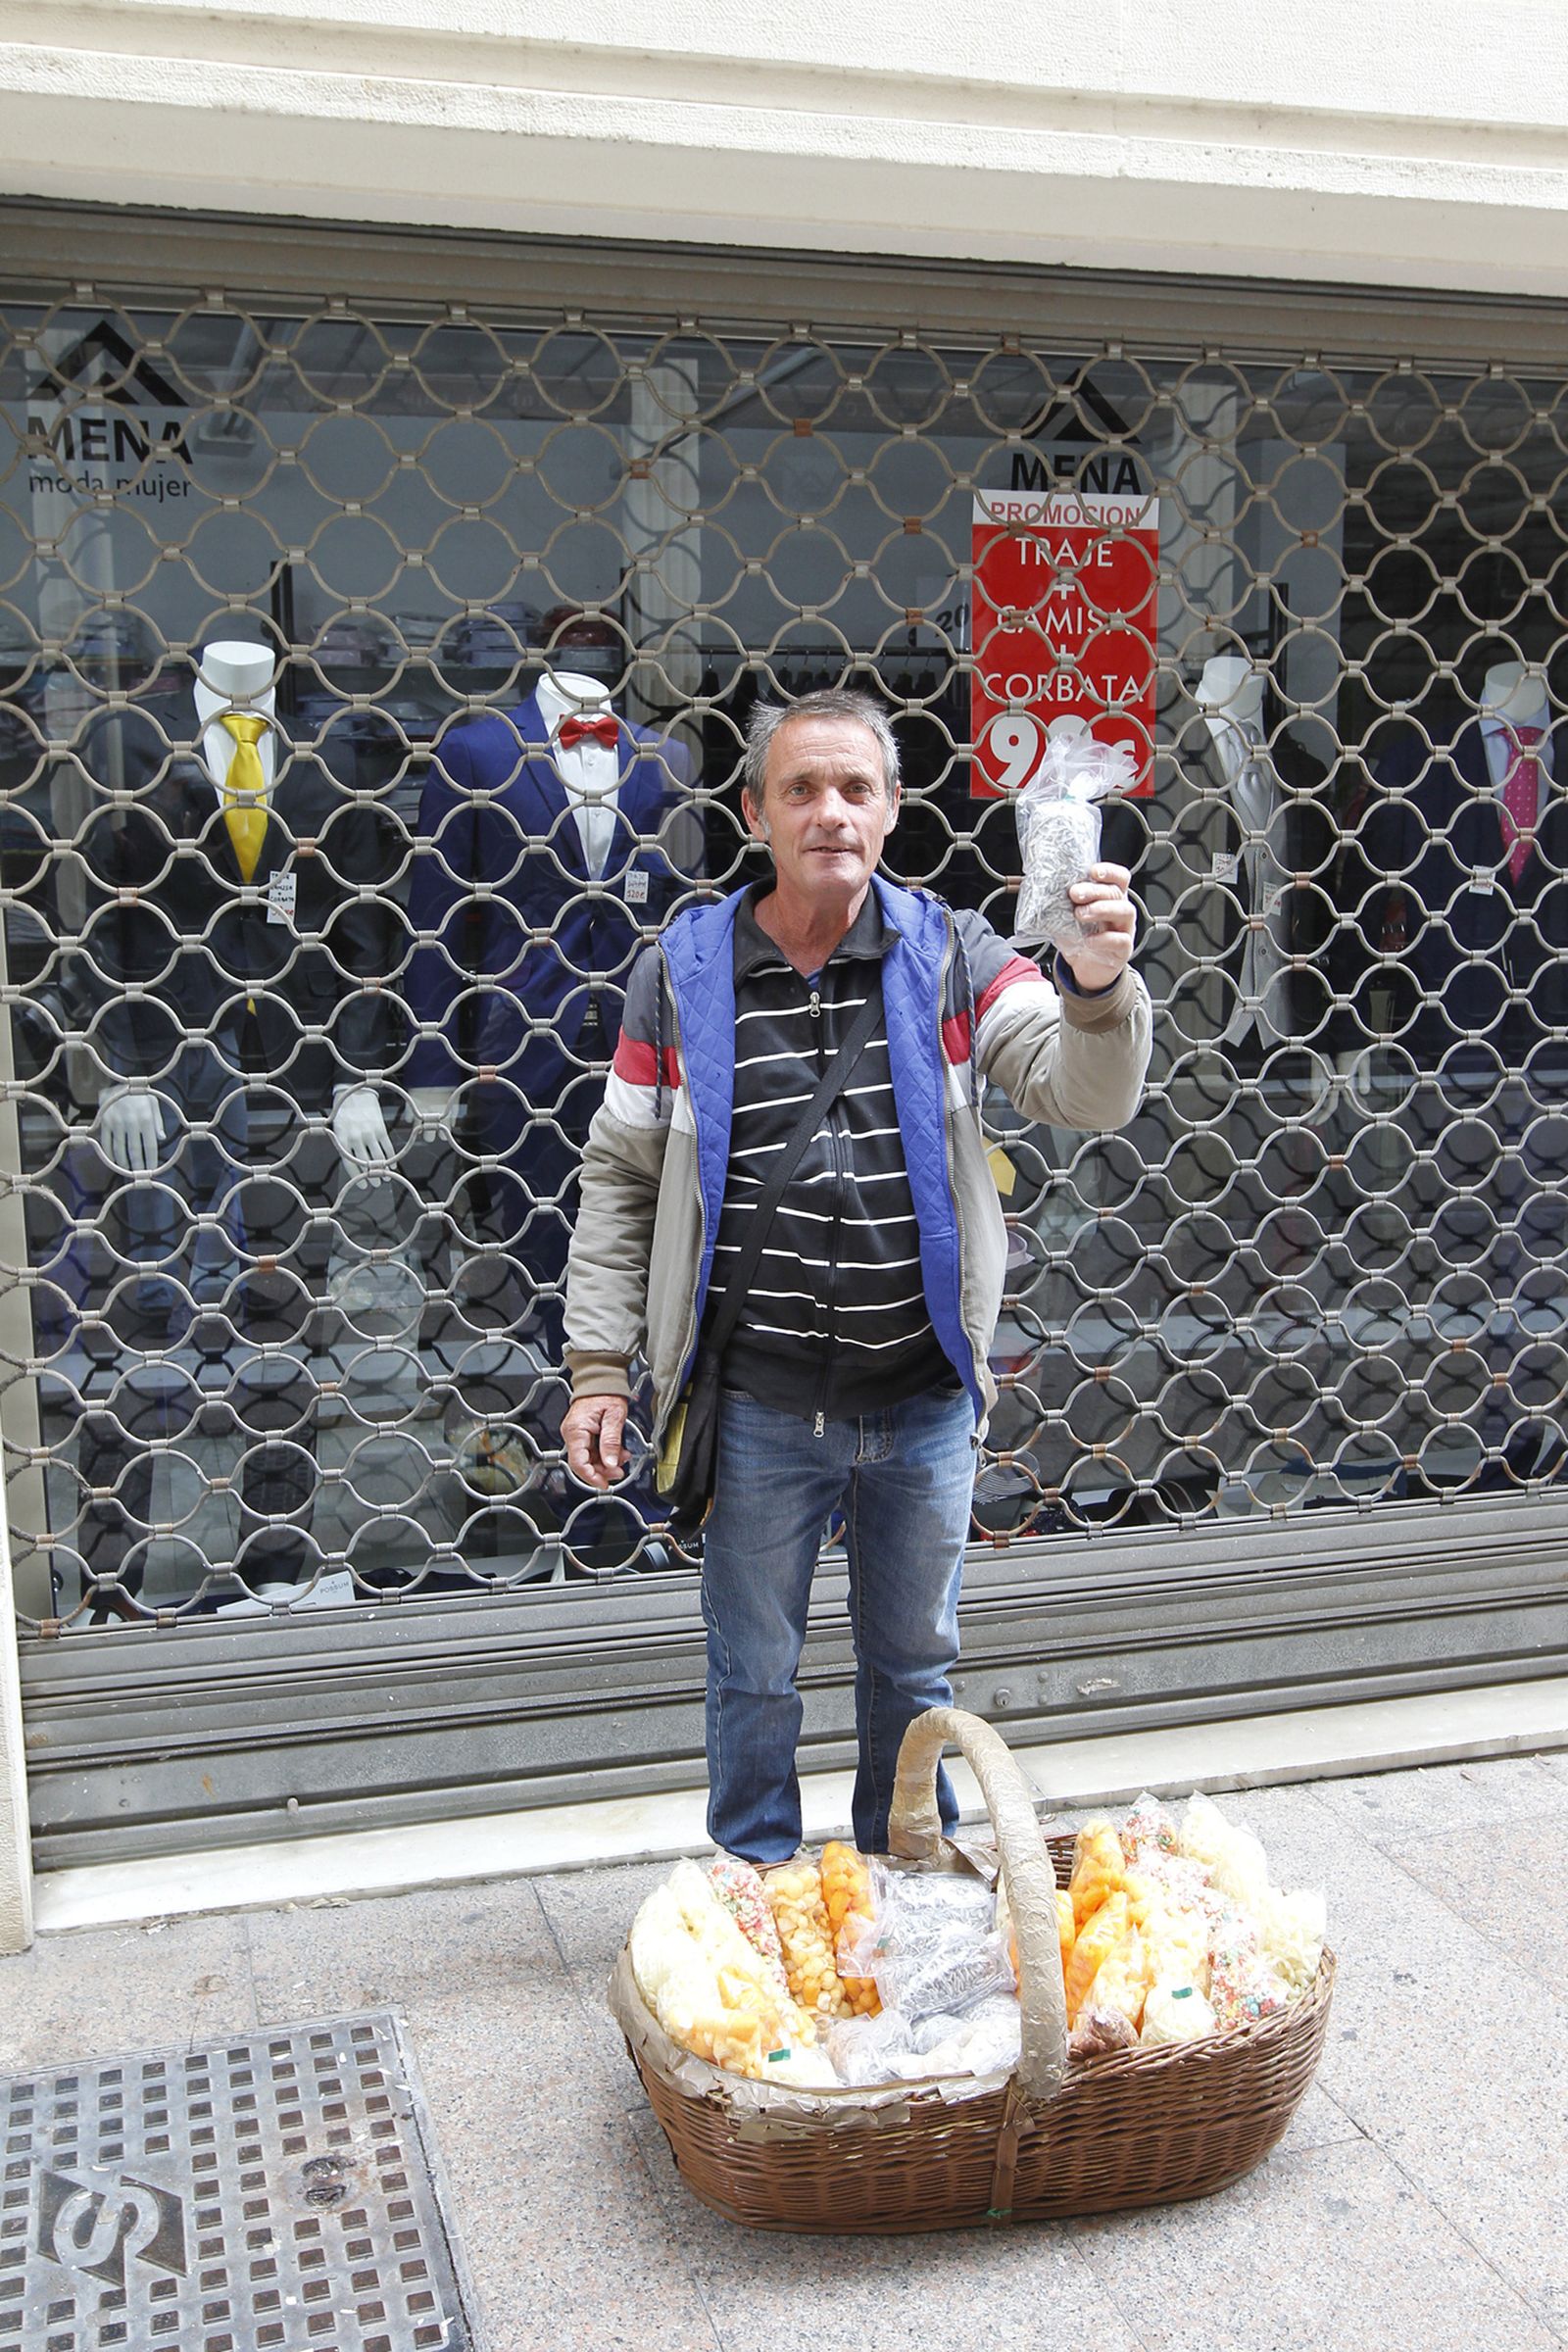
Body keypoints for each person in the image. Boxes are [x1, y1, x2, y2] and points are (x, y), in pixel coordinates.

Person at [561, 687, 1152, 1861]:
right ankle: (758, 1889)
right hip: (758, 1402)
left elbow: (1084, 1091)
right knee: (753, 1673)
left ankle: (905, 1893)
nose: (828, 811)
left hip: (920, 1398)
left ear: (887, 812)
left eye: (854, 789)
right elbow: (621, 1178)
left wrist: (1095, 987)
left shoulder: (954, 955)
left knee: (913, 1672)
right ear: (756, 812)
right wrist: (596, 1369)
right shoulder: (682, 977)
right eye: (800, 789)